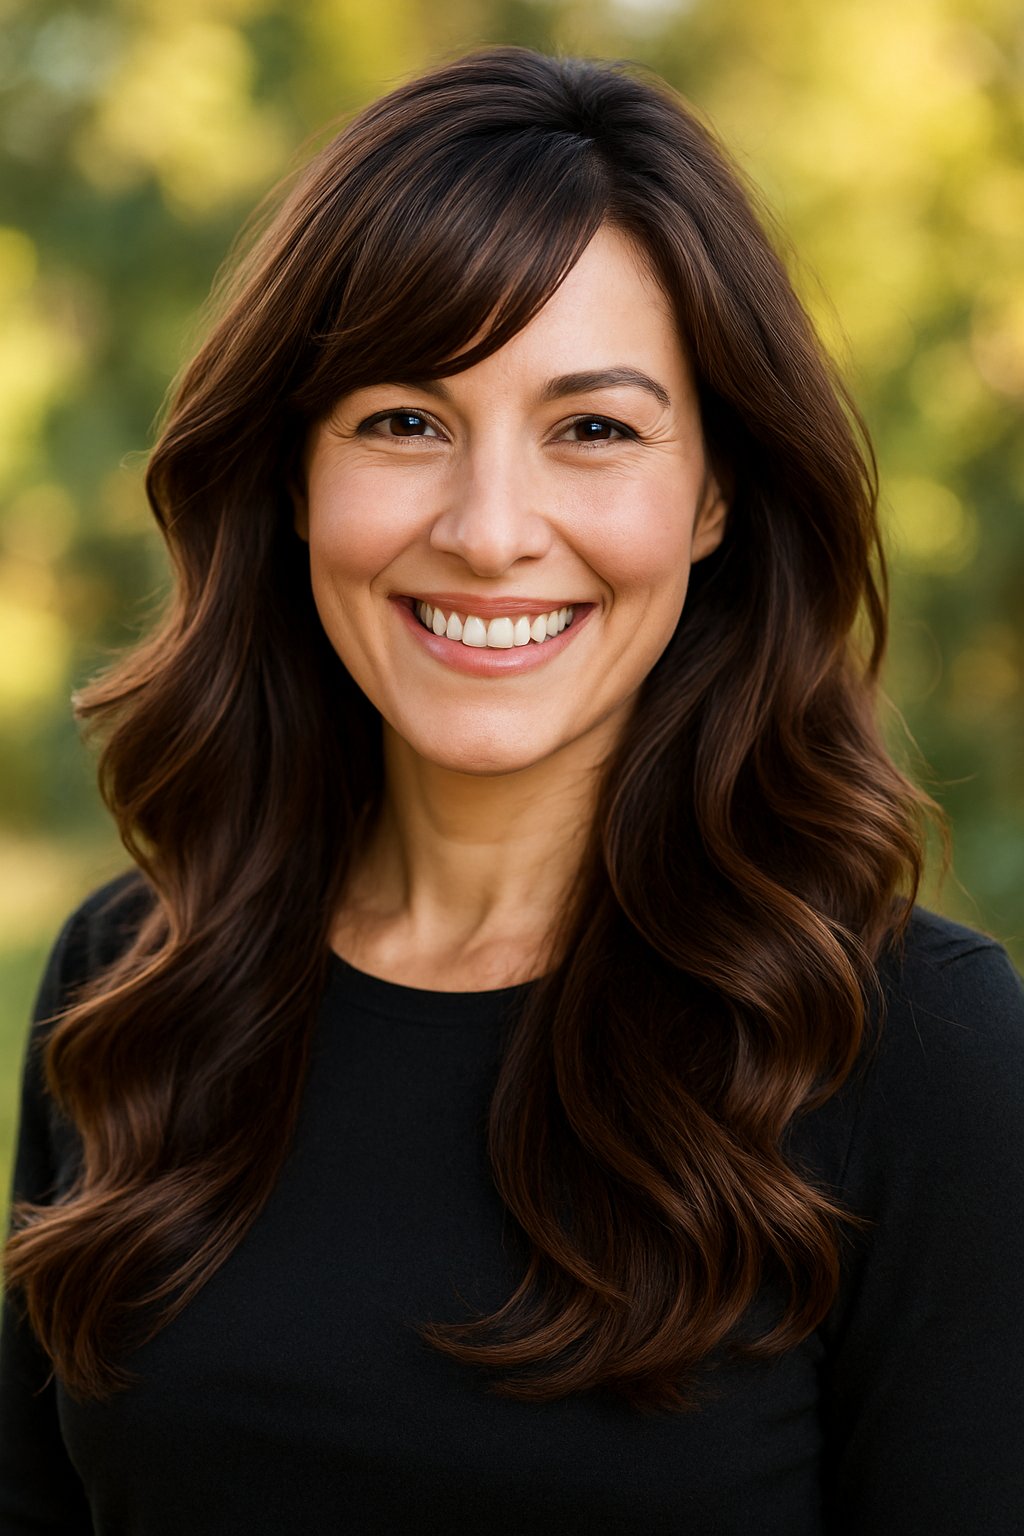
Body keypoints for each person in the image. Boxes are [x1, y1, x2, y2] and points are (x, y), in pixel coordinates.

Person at [1, 43, 1022, 1536]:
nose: (488, 532)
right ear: (292, 476)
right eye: (403, 420)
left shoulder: (915, 1055)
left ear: (717, 493)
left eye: (594, 430)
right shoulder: (137, 986)